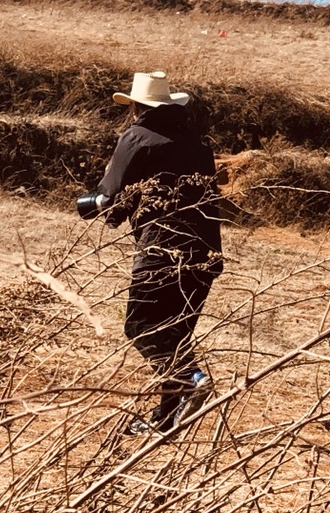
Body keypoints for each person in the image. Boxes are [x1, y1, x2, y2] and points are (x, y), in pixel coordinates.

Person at [77, 71, 224, 434]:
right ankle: (167, 420)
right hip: (205, 253)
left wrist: (87, 203)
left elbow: (111, 205)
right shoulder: (198, 144)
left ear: (137, 107)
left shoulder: (137, 137)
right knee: (175, 333)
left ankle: (192, 378)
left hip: (162, 249)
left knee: (142, 326)